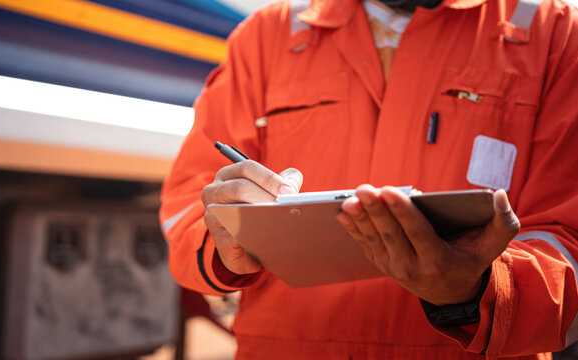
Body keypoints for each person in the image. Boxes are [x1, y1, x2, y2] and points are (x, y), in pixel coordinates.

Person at [159, 0, 578, 358]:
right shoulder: (268, 36)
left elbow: (568, 237)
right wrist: (224, 238)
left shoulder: (552, 33)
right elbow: (187, 203)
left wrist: (476, 289)